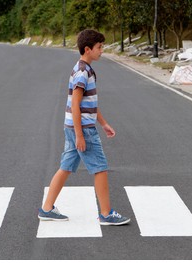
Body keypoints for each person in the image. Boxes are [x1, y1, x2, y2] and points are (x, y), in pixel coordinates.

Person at [38, 29, 130, 226]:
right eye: (99, 47)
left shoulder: (83, 68)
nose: (102, 51)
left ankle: (46, 208)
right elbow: (76, 105)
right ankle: (106, 213)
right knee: (100, 168)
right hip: (82, 130)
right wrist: (80, 135)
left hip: (74, 127)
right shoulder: (83, 72)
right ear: (87, 49)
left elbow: (90, 104)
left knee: (65, 167)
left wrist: (104, 124)